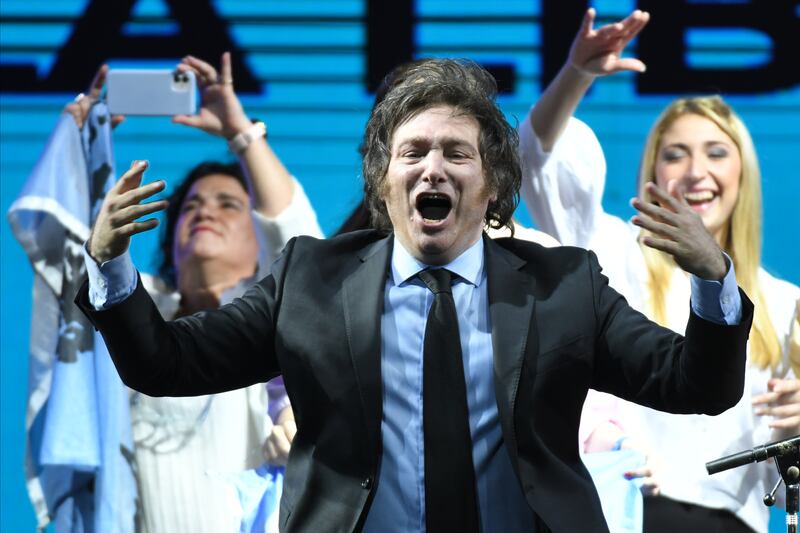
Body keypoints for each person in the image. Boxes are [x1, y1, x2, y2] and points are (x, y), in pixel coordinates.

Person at [76, 58, 753, 532]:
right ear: (384, 181)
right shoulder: (310, 278)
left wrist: (712, 279)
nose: (433, 166)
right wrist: (108, 265)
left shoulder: (562, 285)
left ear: (492, 185)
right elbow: (163, 363)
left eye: (457, 153)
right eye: (413, 152)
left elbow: (696, 383)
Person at [520, 8, 800, 532]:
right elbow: (538, 161)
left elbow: (786, 492)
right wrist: (576, 74)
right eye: (676, 155)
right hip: (632, 512)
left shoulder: (784, 305)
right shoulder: (609, 253)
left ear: (743, 174)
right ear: (653, 173)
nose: (697, 172)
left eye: (716, 152)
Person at [68, 53, 323, 531]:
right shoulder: (132, 312)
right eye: (190, 206)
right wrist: (79, 153)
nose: (204, 212)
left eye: (228, 204)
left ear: (259, 246)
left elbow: (300, 240)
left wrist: (241, 134)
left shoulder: (269, 323)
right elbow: (79, 267)